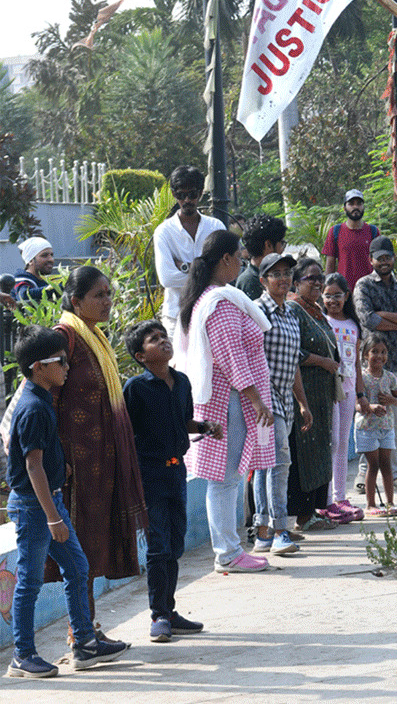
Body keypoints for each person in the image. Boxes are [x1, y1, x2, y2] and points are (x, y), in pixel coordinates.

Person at [6, 326, 129, 678]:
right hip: (34, 507)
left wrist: (62, 467)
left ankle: (85, 644)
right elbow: (32, 465)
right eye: (60, 361)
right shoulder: (33, 407)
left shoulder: (42, 398)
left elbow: (43, 455)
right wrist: (53, 518)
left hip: (49, 502)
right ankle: (23, 656)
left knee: (77, 568)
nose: (67, 367)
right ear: (37, 367)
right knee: (29, 581)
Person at [52, 266, 148, 639]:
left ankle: (87, 628)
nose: (107, 301)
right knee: (79, 550)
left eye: (109, 294)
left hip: (100, 463)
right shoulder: (64, 338)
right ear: (76, 302)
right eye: (98, 295)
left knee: (91, 548)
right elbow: (47, 398)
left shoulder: (95, 338)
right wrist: (57, 459)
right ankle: (80, 634)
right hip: (75, 467)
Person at [178, 230, 274, 574]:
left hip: (231, 399)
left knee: (228, 477)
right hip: (228, 401)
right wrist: (256, 401)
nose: (243, 262)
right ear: (226, 259)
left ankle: (230, 549)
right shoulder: (219, 303)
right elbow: (232, 357)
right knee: (225, 478)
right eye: (240, 255)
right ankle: (228, 553)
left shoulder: (216, 298)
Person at [122, 320, 212, 642]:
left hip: (176, 472)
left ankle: (169, 612)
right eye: (153, 339)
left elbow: (184, 421)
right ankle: (159, 615)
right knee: (158, 546)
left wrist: (203, 427)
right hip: (149, 475)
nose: (163, 341)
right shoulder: (135, 389)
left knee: (175, 544)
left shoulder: (182, 382)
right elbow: (125, 434)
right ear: (140, 356)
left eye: (164, 336)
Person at [253, 252, 312, 556]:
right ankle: (278, 531)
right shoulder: (256, 311)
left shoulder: (290, 313)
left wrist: (302, 402)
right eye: (275, 274)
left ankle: (263, 533)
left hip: (285, 399)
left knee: (268, 465)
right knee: (278, 463)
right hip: (263, 400)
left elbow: (294, 363)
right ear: (263, 280)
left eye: (287, 273)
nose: (283, 279)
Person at [353, 235, 397, 490]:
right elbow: (368, 320)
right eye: (379, 258)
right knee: (368, 416)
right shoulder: (363, 285)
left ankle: (393, 474)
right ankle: (364, 475)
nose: (384, 262)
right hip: (371, 363)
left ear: (394, 259)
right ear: (371, 260)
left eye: (388, 257)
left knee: (396, 420)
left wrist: (385, 317)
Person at [287, 257, 341, 530]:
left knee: (320, 450)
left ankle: (315, 511)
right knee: (305, 453)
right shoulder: (293, 310)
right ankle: (303, 515)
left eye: (320, 277)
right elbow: (292, 351)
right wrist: (322, 362)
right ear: (297, 283)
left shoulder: (316, 311)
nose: (318, 282)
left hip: (322, 396)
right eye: (311, 278)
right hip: (304, 393)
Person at [155, 165, 226, 338]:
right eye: (181, 195)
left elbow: (225, 270)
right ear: (174, 194)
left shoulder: (216, 227)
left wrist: (184, 267)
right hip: (176, 316)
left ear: (200, 193)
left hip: (213, 313)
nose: (187, 200)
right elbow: (167, 278)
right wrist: (208, 273)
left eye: (192, 194)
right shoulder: (163, 232)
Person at [321, 273, 366, 519]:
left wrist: (361, 394)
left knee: (343, 443)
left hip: (347, 390)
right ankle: (326, 499)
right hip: (328, 390)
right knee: (332, 442)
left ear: (346, 296)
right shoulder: (321, 321)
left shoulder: (353, 325)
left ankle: (340, 496)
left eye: (337, 295)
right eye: (327, 296)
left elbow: (357, 363)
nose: (332, 300)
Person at [356, 332, 397, 517]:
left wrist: (391, 400)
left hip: (386, 427)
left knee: (386, 465)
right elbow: (356, 404)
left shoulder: (389, 377)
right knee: (373, 465)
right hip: (367, 429)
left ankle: (390, 503)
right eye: (374, 351)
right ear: (365, 354)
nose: (379, 356)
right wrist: (370, 407)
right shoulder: (362, 378)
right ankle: (370, 505)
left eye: (383, 352)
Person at [323, 189, 380, 292]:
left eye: (359, 203)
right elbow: (330, 265)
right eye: (351, 204)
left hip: (369, 290)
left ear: (363, 207)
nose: (355, 207)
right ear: (344, 208)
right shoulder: (335, 231)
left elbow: (380, 262)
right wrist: (328, 290)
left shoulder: (373, 231)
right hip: (344, 291)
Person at [235, 214, 287, 300]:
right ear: (268, 245)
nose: (282, 250)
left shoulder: (259, 276)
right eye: (282, 243)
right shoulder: (250, 282)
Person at [13, 236, 56, 303]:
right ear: (30, 260)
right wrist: (57, 288)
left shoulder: (46, 281)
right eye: (44, 255)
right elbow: (24, 295)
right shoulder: (21, 279)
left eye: (51, 255)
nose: (51, 259)